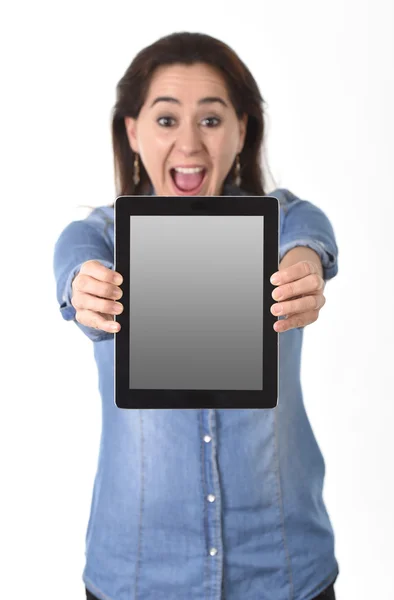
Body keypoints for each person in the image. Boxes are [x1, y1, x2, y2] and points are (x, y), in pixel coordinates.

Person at [53, 32, 339, 600]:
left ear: (243, 129)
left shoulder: (285, 224)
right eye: (165, 120)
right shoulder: (100, 238)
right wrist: (85, 290)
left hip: (282, 569)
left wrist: (305, 263)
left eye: (210, 120)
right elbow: (75, 262)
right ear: (132, 132)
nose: (188, 143)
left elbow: (311, 231)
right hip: (137, 575)